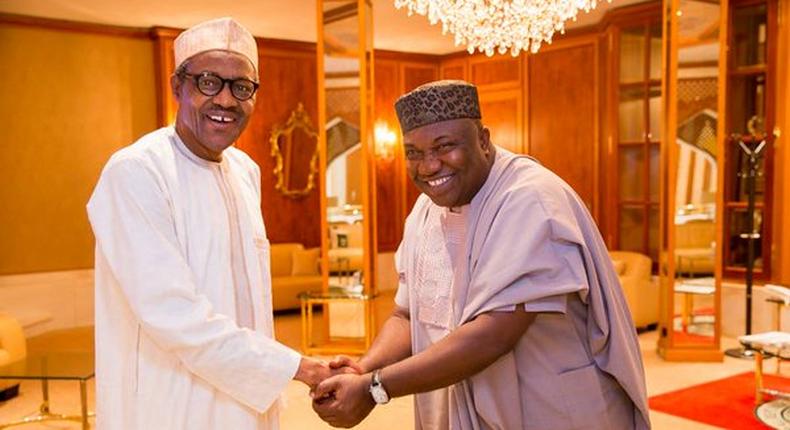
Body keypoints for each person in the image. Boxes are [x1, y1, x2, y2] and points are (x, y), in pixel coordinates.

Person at [312, 80, 651, 429]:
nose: (428, 166)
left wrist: (374, 388)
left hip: (550, 409)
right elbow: (407, 314)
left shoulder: (531, 199)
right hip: (457, 403)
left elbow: (492, 335)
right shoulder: (425, 212)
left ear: (484, 140)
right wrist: (363, 368)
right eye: (414, 152)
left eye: (445, 146)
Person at [87, 17, 337, 429]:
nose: (226, 100)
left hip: (247, 397)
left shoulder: (245, 171)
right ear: (177, 87)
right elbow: (173, 314)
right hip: (169, 400)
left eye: (241, 87)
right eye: (208, 82)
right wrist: (299, 367)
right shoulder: (135, 172)